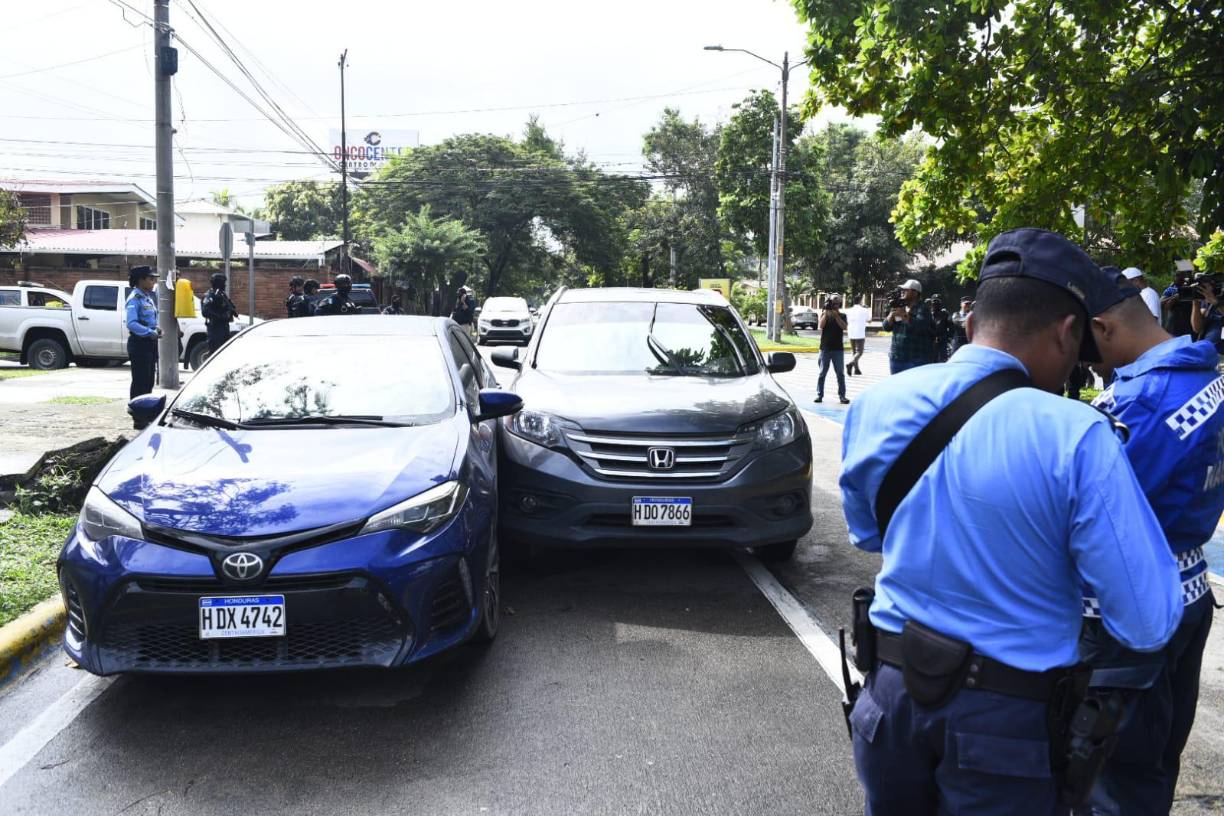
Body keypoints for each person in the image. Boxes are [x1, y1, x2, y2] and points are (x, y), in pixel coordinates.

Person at [840, 228, 1182, 816]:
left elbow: (868, 533)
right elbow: (1147, 621)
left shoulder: (879, 403)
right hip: (1004, 724)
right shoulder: (1075, 434)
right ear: (1068, 331)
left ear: (972, 324)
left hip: (889, 705)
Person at [1080, 289, 1224, 815]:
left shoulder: (1137, 401)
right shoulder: (1208, 379)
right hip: (1189, 588)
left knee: (1107, 777)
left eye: (1083, 342)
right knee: (1157, 759)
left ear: (1104, 328)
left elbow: (1093, 512)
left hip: (1125, 613)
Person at [882, 279, 936, 374]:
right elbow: (886, 327)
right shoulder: (899, 306)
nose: (902, 291)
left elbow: (921, 328)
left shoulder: (923, 309)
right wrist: (891, 315)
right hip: (896, 357)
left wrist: (904, 316)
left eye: (906, 289)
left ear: (915, 293)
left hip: (915, 359)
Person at [124, 265, 161, 402]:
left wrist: (156, 329)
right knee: (140, 382)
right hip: (139, 344)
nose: (153, 281)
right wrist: (149, 332)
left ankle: (146, 410)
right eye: (151, 278)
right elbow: (131, 323)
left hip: (149, 343)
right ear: (141, 280)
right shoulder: (135, 298)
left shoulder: (147, 297)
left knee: (149, 382)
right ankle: (137, 411)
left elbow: (149, 320)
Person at [815, 296, 849, 404]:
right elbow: (820, 326)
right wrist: (826, 313)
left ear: (840, 305)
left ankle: (842, 396)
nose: (835, 306)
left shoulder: (842, 315)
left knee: (840, 374)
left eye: (837, 304)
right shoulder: (825, 315)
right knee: (822, 373)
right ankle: (819, 395)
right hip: (825, 348)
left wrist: (836, 316)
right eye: (833, 304)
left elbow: (844, 327)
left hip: (838, 349)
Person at [200, 272, 237, 354]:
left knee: (224, 353)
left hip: (224, 327)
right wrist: (221, 316)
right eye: (223, 283)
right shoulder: (210, 295)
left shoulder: (222, 295)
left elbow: (230, 306)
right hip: (215, 329)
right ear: (218, 283)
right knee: (215, 353)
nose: (225, 285)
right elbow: (205, 311)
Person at [845, 295, 871, 375]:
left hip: (851, 332)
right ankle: (850, 363)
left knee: (854, 351)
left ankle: (856, 370)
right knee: (860, 351)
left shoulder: (848, 310)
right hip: (860, 333)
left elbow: (846, 320)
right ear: (860, 301)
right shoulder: (864, 310)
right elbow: (869, 320)